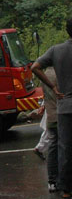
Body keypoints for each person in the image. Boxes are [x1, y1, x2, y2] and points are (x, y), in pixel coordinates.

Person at [31, 18, 72, 198]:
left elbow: (35, 67)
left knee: (65, 148)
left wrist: (53, 87)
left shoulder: (57, 50)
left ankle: (66, 189)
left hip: (64, 107)